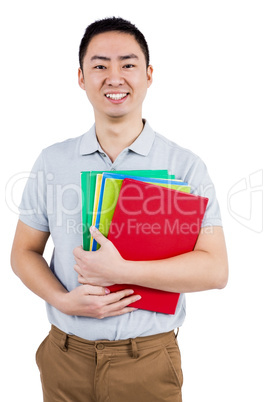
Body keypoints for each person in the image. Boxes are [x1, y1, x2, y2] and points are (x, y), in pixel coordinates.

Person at [11, 17, 228, 402]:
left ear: (148, 74)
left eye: (127, 64)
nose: (114, 77)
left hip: (148, 361)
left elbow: (215, 270)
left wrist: (120, 271)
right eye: (100, 65)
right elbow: (23, 252)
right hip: (65, 358)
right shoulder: (52, 160)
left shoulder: (185, 165)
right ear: (81, 77)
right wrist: (62, 299)